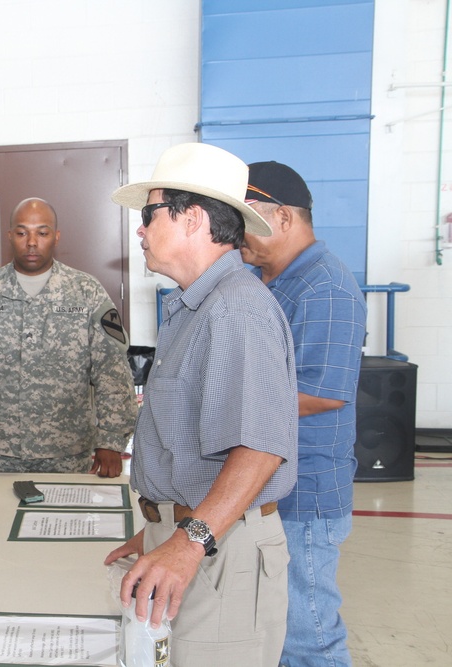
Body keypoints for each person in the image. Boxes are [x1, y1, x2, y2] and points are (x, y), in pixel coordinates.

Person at [104, 142, 299, 666]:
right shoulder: (195, 308)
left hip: (218, 552)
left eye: (149, 215)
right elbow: (190, 446)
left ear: (192, 219)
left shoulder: (237, 309)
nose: (140, 230)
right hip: (199, 533)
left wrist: (187, 542)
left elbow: (260, 450)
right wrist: (160, 528)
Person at [242, 161, 366, 667]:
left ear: (285, 218)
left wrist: (226, 404)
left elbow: (322, 392)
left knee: (308, 632)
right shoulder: (265, 279)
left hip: (306, 492)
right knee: (274, 625)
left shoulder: (324, 287)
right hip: (269, 481)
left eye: (246, 219)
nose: (236, 234)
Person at [0, 197, 137, 475]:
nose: (31, 242)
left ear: (56, 237)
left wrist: (111, 440)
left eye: (42, 232)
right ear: (9, 236)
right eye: (21, 232)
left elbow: (111, 370)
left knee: (64, 519)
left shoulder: (86, 292)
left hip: (69, 452)